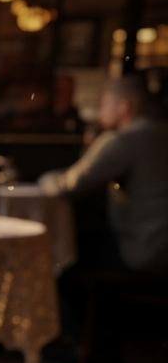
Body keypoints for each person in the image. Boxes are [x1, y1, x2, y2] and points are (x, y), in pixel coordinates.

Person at [40, 75, 168, 274]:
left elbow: (68, 185)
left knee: (63, 254)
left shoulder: (125, 140)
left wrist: (44, 179)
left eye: (104, 103)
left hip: (142, 248)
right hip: (160, 245)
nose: (100, 111)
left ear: (123, 107)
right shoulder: (159, 131)